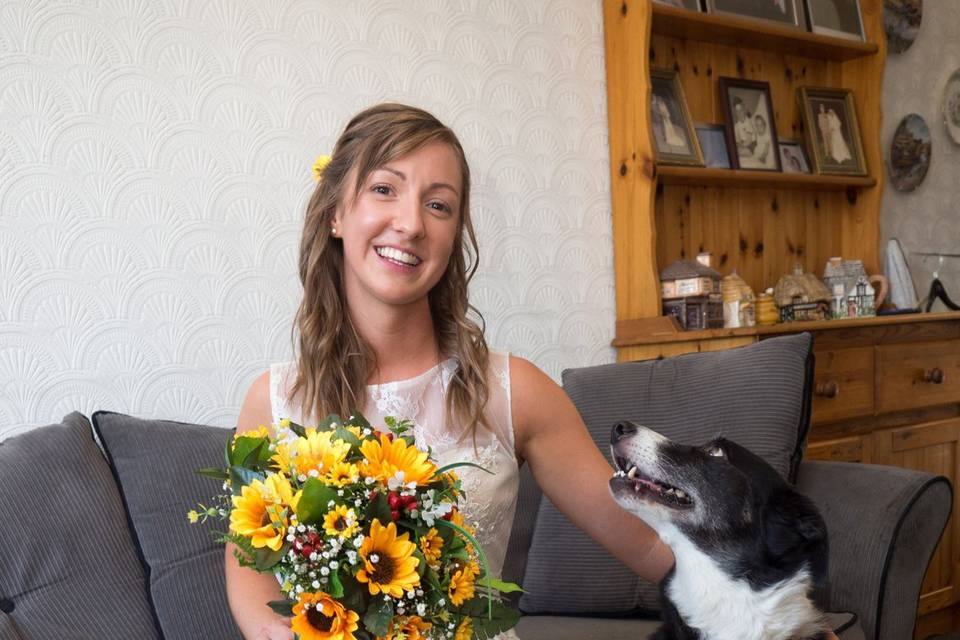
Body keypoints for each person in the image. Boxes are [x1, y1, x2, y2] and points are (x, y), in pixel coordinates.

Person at [224, 103, 675, 640]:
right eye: (384, 189)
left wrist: (774, 596)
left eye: (438, 205)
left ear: (454, 234)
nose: (411, 224)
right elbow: (247, 561)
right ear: (335, 213)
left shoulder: (515, 391)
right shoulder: (272, 400)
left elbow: (647, 544)